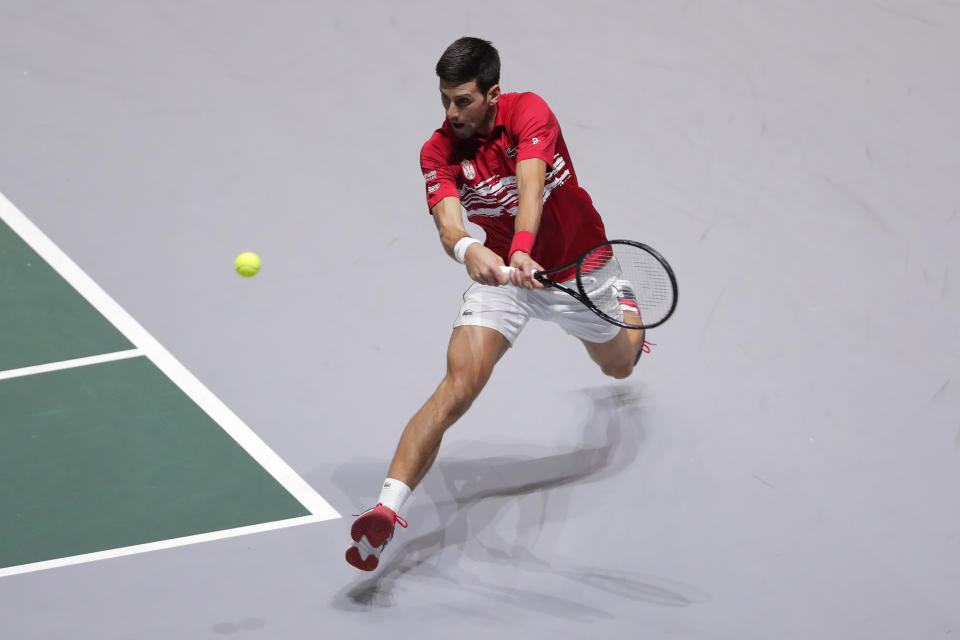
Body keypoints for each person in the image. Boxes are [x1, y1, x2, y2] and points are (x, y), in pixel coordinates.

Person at [345, 37, 649, 571]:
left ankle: (626, 304)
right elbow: (447, 222)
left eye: (462, 100)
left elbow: (530, 188)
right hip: (508, 279)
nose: (450, 112)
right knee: (457, 388)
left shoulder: (529, 112)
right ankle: (385, 513)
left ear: (493, 95)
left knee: (619, 366)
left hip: (580, 269)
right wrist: (469, 249)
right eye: (444, 99)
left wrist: (524, 250)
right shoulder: (437, 151)